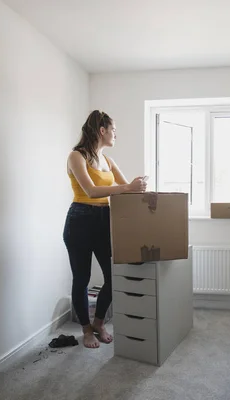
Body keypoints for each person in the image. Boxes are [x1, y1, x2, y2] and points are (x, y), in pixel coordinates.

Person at [63, 110, 147, 348]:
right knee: (82, 278)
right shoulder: (76, 156)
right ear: (102, 131)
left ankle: (99, 322)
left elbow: (127, 187)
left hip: (104, 220)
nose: (115, 135)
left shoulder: (108, 161)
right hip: (79, 220)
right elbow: (90, 191)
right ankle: (86, 329)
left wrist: (138, 185)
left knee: (113, 276)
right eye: (114, 131)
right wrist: (127, 188)